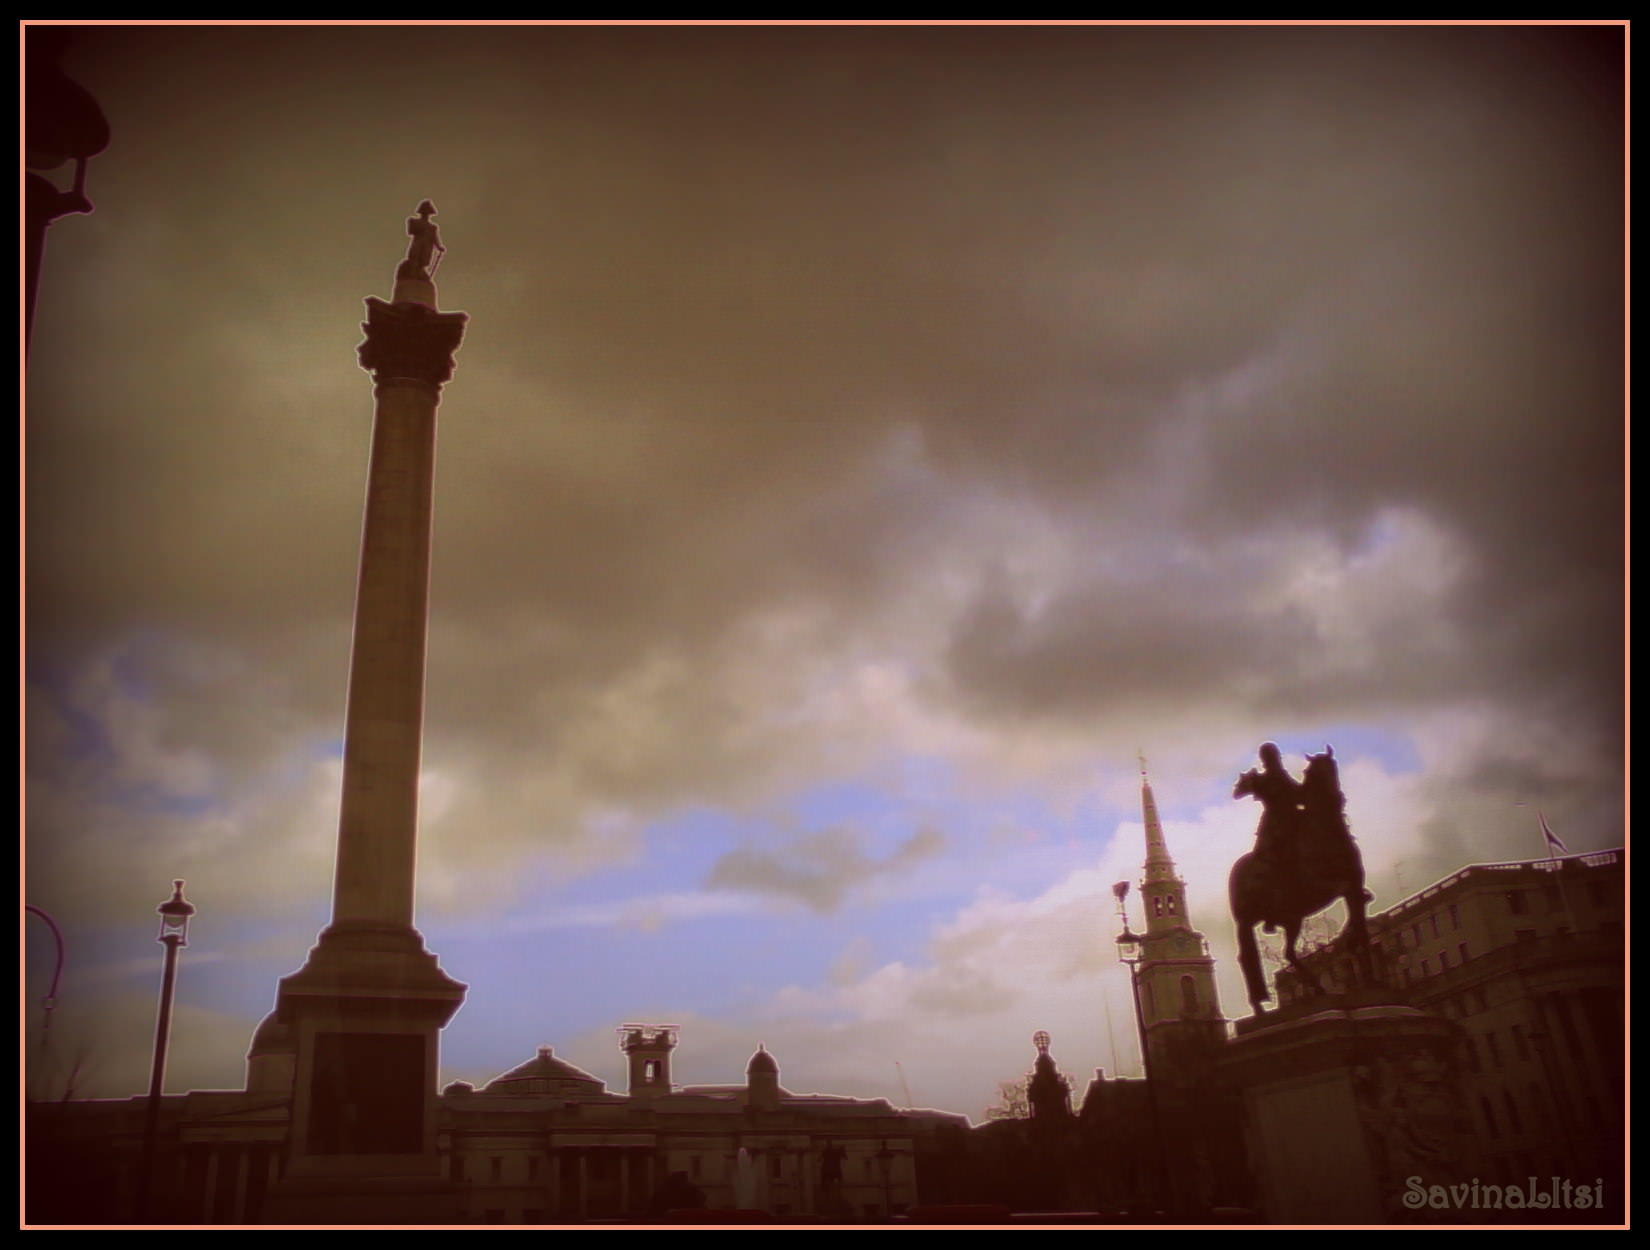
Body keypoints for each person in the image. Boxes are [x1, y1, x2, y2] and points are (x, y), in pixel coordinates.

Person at [1235, 742, 1304, 885]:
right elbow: (1237, 793)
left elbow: (1299, 794)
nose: (1273, 759)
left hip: (1295, 817)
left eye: (1274, 756)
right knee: (1267, 851)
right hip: (1274, 821)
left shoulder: (1282, 775)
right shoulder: (1260, 779)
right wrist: (1251, 783)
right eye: (1269, 757)